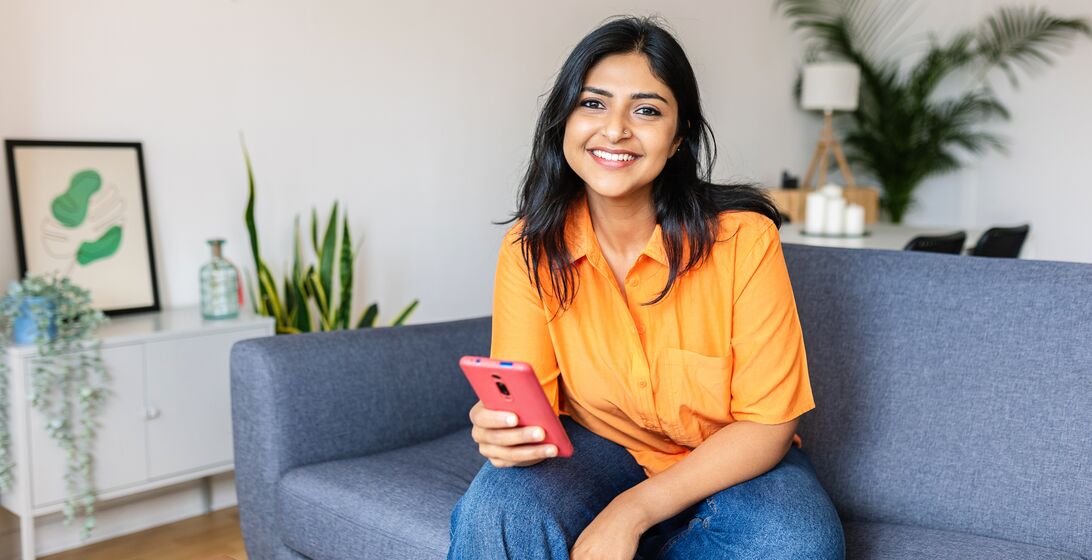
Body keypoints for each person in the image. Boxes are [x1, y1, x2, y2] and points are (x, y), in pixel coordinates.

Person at [448, 15, 845, 560]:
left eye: (646, 110)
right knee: (498, 508)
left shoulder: (743, 240)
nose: (614, 130)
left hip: (730, 459)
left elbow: (766, 427)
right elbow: (531, 405)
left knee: (794, 543)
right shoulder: (532, 246)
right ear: (563, 118)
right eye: (593, 103)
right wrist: (499, 430)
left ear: (678, 137)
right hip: (600, 449)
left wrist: (630, 513)